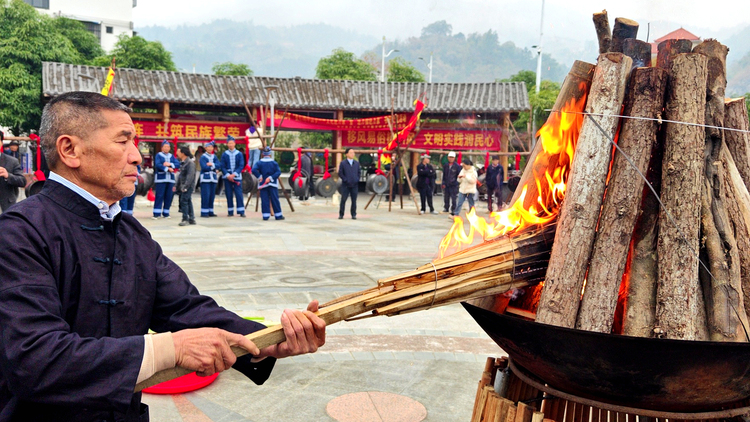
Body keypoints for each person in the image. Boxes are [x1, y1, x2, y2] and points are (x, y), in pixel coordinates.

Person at [0, 92, 325, 421]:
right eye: (123, 142)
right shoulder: (19, 233)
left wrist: (265, 342)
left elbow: (187, 308)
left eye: (135, 143)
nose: (137, 157)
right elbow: (33, 358)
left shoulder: (131, 233)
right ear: (70, 150)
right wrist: (171, 348)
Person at [252, 147, 284, 221]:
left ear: (263, 154)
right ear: (270, 154)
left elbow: (254, 170)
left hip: (263, 184)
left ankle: (265, 215)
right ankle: (278, 215)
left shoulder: (259, 162)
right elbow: (278, 172)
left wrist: (259, 176)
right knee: (275, 199)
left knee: (264, 199)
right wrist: (271, 178)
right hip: (272, 184)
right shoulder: (274, 163)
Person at [153, 140, 180, 219]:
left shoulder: (171, 156)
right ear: (162, 148)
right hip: (161, 179)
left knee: (169, 196)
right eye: (165, 146)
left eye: (168, 147)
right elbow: (157, 165)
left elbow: (177, 164)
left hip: (170, 179)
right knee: (159, 195)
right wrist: (167, 168)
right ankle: (156, 213)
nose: (167, 148)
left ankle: (166, 213)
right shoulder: (159, 155)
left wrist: (170, 164)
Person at [220, 135, 245, 217]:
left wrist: (234, 174)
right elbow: (222, 166)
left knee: (239, 194)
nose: (230, 145)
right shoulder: (224, 154)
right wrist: (227, 175)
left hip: (237, 177)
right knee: (228, 193)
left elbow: (241, 165)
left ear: (235, 144)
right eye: (229, 143)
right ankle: (230, 211)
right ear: (227, 144)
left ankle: (241, 211)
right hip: (227, 177)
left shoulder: (239, 154)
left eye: (232, 143)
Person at [175, 146, 197, 226]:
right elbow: (181, 176)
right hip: (183, 185)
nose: (177, 153)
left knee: (184, 201)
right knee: (188, 201)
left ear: (183, 153)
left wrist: (185, 186)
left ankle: (185, 218)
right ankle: (191, 218)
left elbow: (190, 176)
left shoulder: (190, 163)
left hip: (187, 186)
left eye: (178, 151)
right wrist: (177, 185)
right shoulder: (183, 162)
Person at [199, 140, 220, 217]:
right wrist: (214, 168)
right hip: (205, 178)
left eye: (211, 147)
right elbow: (204, 167)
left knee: (212, 195)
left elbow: (219, 165)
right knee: (206, 195)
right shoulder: (203, 157)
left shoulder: (214, 156)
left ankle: (210, 211)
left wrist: (211, 164)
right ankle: (204, 212)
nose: (210, 148)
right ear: (205, 148)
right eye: (208, 147)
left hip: (213, 178)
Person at [338, 147, 360, 220]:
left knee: (354, 200)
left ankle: (353, 214)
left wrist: (357, 179)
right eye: (351, 153)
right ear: (346, 154)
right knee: (343, 199)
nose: (352, 154)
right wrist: (345, 180)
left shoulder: (356, 163)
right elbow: (340, 173)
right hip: (346, 185)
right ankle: (341, 214)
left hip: (354, 185)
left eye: (353, 152)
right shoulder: (343, 163)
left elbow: (359, 173)